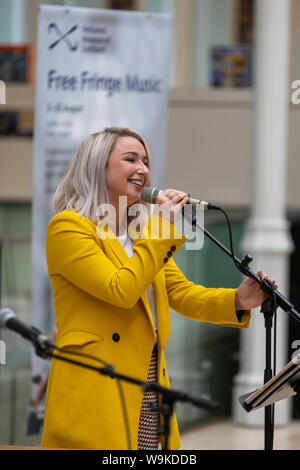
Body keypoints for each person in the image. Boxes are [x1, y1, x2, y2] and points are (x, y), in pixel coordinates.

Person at [41, 127, 276, 450]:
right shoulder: (68, 227)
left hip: (149, 376)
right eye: (130, 159)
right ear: (98, 166)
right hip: (97, 381)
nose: (144, 169)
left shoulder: (142, 234)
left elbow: (180, 293)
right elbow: (120, 289)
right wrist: (159, 227)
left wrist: (238, 299)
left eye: (146, 161)